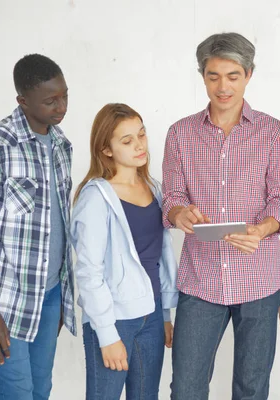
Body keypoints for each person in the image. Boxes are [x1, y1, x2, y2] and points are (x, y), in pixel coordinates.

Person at [162, 32, 280, 400]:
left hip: (259, 282)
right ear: (202, 75)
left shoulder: (273, 133)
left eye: (233, 76)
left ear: (249, 74)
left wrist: (262, 228)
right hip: (201, 278)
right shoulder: (179, 134)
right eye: (213, 76)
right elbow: (171, 196)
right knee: (186, 388)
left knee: (252, 389)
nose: (223, 87)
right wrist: (178, 213)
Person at [0, 54, 75, 399]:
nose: (61, 106)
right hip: (5, 299)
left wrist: (63, 297)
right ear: (22, 101)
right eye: (50, 100)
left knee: (40, 392)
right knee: (16, 395)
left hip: (49, 295)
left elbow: (57, 225)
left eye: (65, 95)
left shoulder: (62, 145)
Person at [71, 103, 178, 399]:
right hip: (115, 318)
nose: (139, 145)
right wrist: (107, 334)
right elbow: (89, 272)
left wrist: (166, 313)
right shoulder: (96, 197)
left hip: (153, 314)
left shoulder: (154, 188)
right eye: (127, 141)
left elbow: (161, 257)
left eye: (141, 136)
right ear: (106, 149)